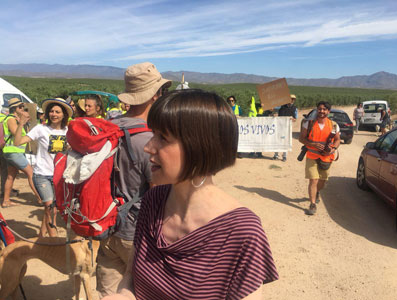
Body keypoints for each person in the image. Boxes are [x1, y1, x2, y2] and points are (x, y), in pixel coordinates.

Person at [102, 89, 278, 300]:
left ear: (200, 147)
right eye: (152, 135)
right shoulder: (153, 200)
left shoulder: (242, 233)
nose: (149, 147)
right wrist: (124, 295)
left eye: (163, 138)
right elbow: (131, 276)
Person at [96, 62, 171, 298]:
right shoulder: (150, 140)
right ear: (154, 96)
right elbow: (160, 194)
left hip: (106, 227)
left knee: (110, 293)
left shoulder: (108, 128)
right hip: (136, 234)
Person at [14, 98, 72, 237]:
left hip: (60, 176)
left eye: (57, 111)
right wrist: (21, 124)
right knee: (50, 207)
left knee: (51, 208)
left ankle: (41, 234)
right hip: (42, 175)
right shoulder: (41, 129)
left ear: (64, 114)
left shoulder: (68, 131)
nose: (54, 114)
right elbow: (18, 142)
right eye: (51, 111)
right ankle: (54, 241)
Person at [299, 101, 340, 215]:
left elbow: (337, 140)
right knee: (313, 180)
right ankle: (312, 204)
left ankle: (317, 192)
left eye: (324, 109)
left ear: (328, 111)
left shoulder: (334, 125)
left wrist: (333, 149)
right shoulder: (309, 123)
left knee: (322, 181)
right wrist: (312, 144)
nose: (322, 111)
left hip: (326, 157)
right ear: (317, 110)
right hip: (312, 156)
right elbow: (301, 139)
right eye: (320, 109)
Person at [2, 98, 41, 208]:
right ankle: (40, 199)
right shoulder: (11, 119)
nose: (23, 109)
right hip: (14, 152)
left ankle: (6, 201)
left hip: (12, 152)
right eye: (21, 107)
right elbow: (16, 134)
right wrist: (21, 123)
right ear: (15, 109)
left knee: (11, 176)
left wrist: (22, 123)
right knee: (31, 173)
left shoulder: (14, 119)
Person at [273, 94, 298, 162]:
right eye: (290, 99)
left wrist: (293, 119)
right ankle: (276, 154)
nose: (291, 100)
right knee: (277, 140)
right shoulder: (281, 107)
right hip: (279, 126)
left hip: (287, 127)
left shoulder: (295, 108)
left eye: (292, 99)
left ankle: (284, 156)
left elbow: (295, 119)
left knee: (285, 141)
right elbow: (274, 110)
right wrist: (275, 114)